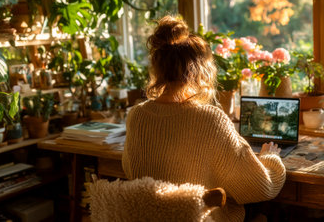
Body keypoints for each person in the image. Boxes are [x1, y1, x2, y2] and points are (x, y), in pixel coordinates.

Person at [122, 16, 286, 221]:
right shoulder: (210, 120)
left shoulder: (137, 116)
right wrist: (271, 157)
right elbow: (261, 187)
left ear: (158, 68)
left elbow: (131, 171)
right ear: (200, 72)